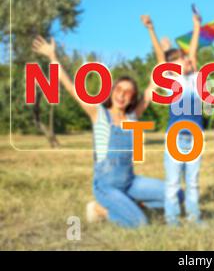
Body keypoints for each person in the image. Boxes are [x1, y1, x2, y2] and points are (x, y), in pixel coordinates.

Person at [32, 36, 165, 228]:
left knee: (174, 194)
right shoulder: (98, 113)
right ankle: (99, 209)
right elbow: (70, 86)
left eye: (128, 93)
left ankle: (129, 203)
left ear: (133, 98)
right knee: (140, 223)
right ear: (112, 91)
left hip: (130, 181)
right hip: (106, 186)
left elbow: (158, 77)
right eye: (119, 89)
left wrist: (151, 31)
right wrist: (53, 56)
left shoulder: (134, 116)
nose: (122, 95)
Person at [141, 12, 204, 226]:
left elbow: (193, 52)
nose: (185, 60)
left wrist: (196, 27)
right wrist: (151, 29)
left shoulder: (194, 78)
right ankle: (172, 219)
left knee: (193, 182)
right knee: (173, 182)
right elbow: (161, 57)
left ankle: (194, 218)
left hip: (196, 135)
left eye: (185, 57)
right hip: (176, 137)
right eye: (179, 58)